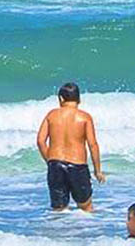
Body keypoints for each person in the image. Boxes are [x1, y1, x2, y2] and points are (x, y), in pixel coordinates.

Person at [36, 82, 104, 212]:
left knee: (59, 210)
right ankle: (87, 231)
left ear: (61, 98)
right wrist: (97, 170)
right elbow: (93, 145)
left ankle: (59, 231)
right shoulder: (84, 117)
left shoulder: (51, 115)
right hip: (77, 166)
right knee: (86, 208)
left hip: (56, 165)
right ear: (79, 99)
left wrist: (50, 160)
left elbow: (40, 141)